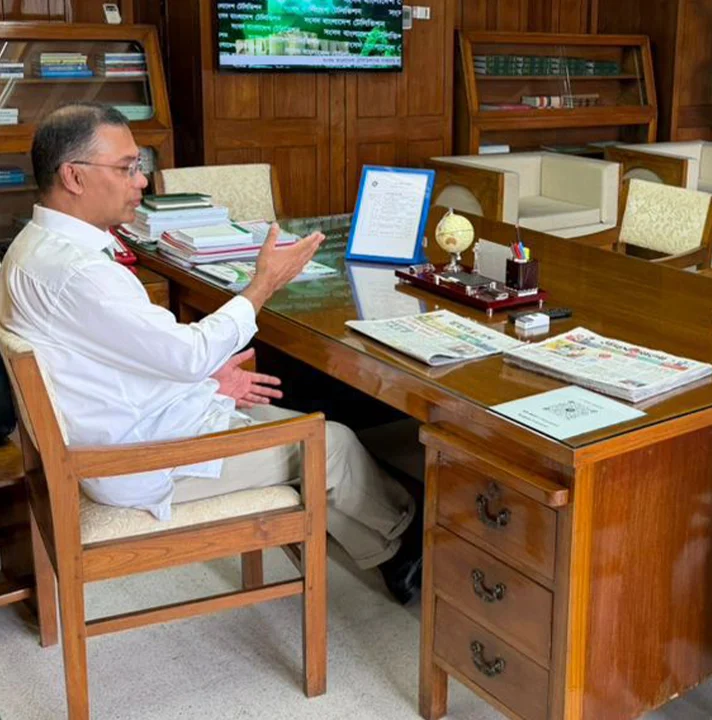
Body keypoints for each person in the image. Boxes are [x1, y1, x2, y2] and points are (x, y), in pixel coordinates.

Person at [0, 103, 423, 604]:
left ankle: (388, 541)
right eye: (127, 168)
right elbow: (189, 355)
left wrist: (202, 383)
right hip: (138, 460)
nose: (142, 181)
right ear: (74, 176)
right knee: (332, 444)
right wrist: (262, 285)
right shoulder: (82, 272)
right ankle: (408, 540)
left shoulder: (29, 248)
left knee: (296, 421)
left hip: (120, 430)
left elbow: (110, 356)